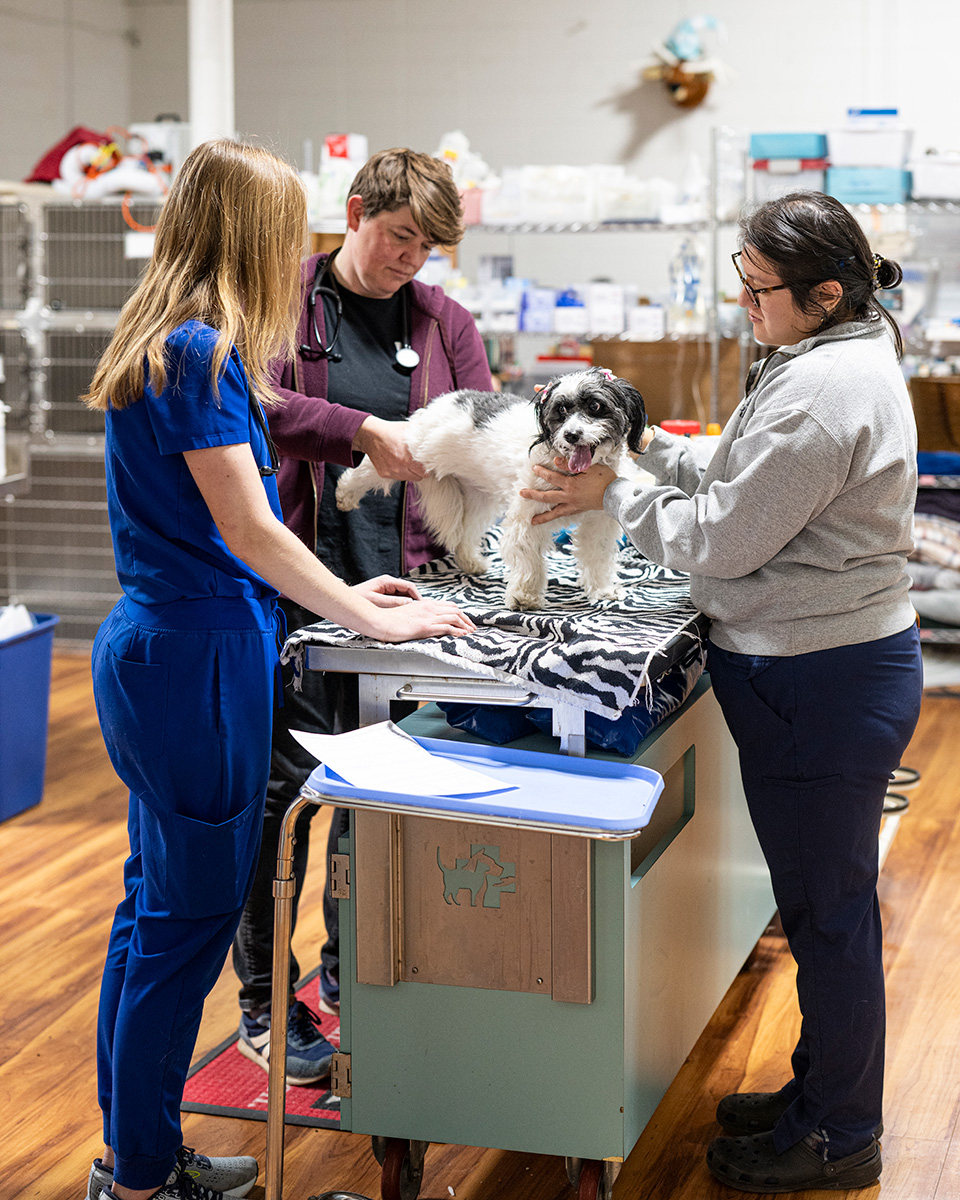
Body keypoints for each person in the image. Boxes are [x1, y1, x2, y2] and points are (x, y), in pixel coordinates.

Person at [82, 139, 475, 1200]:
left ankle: (136, 1155)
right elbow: (254, 530)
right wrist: (363, 615)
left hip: (164, 646)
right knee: (183, 929)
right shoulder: (205, 355)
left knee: (149, 913)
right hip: (199, 660)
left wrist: (355, 601)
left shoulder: (162, 339)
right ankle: (144, 1183)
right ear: (252, 234)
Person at [520, 191, 922, 1193]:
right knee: (824, 905)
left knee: (829, 917)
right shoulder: (827, 358)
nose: (743, 305)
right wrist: (647, 444)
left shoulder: (827, 391)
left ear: (825, 293)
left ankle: (839, 1133)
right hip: (822, 667)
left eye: (756, 291)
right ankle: (819, 1094)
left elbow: (722, 538)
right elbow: (743, 475)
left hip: (818, 676)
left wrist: (611, 491)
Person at [230, 147, 492, 1084]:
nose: (409, 261)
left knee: (376, 795)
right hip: (301, 581)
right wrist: (359, 430)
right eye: (397, 238)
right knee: (281, 796)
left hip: (405, 585)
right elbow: (253, 407)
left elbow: (480, 422)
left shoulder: (445, 321)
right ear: (354, 213)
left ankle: (352, 973)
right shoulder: (280, 303)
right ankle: (266, 1000)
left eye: (427, 248)